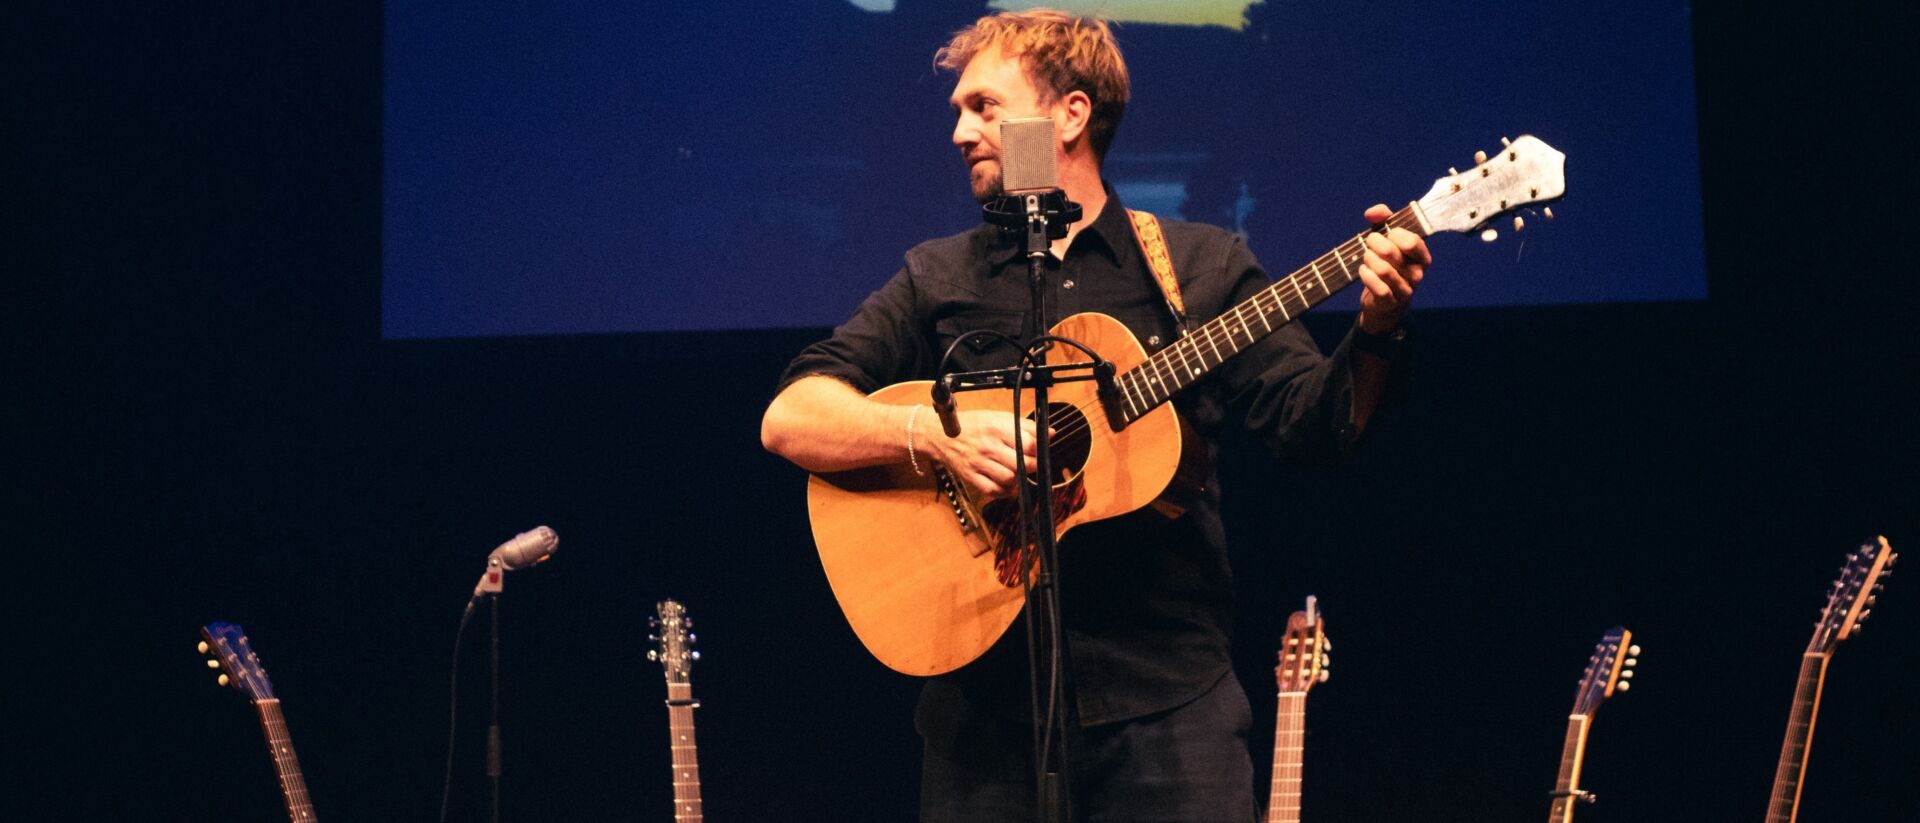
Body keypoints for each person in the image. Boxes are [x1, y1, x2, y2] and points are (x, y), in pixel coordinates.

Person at [760, 9, 1428, 821]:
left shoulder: (1199, 267)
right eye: (960, 112)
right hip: (984, 725)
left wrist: (1377, 329)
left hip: (1170, 712)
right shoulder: (938, 277)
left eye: (985, 108)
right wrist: (934, 434)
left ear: (1070, 115)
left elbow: (1314, 428)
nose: (961, 132)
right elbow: (791, 415)